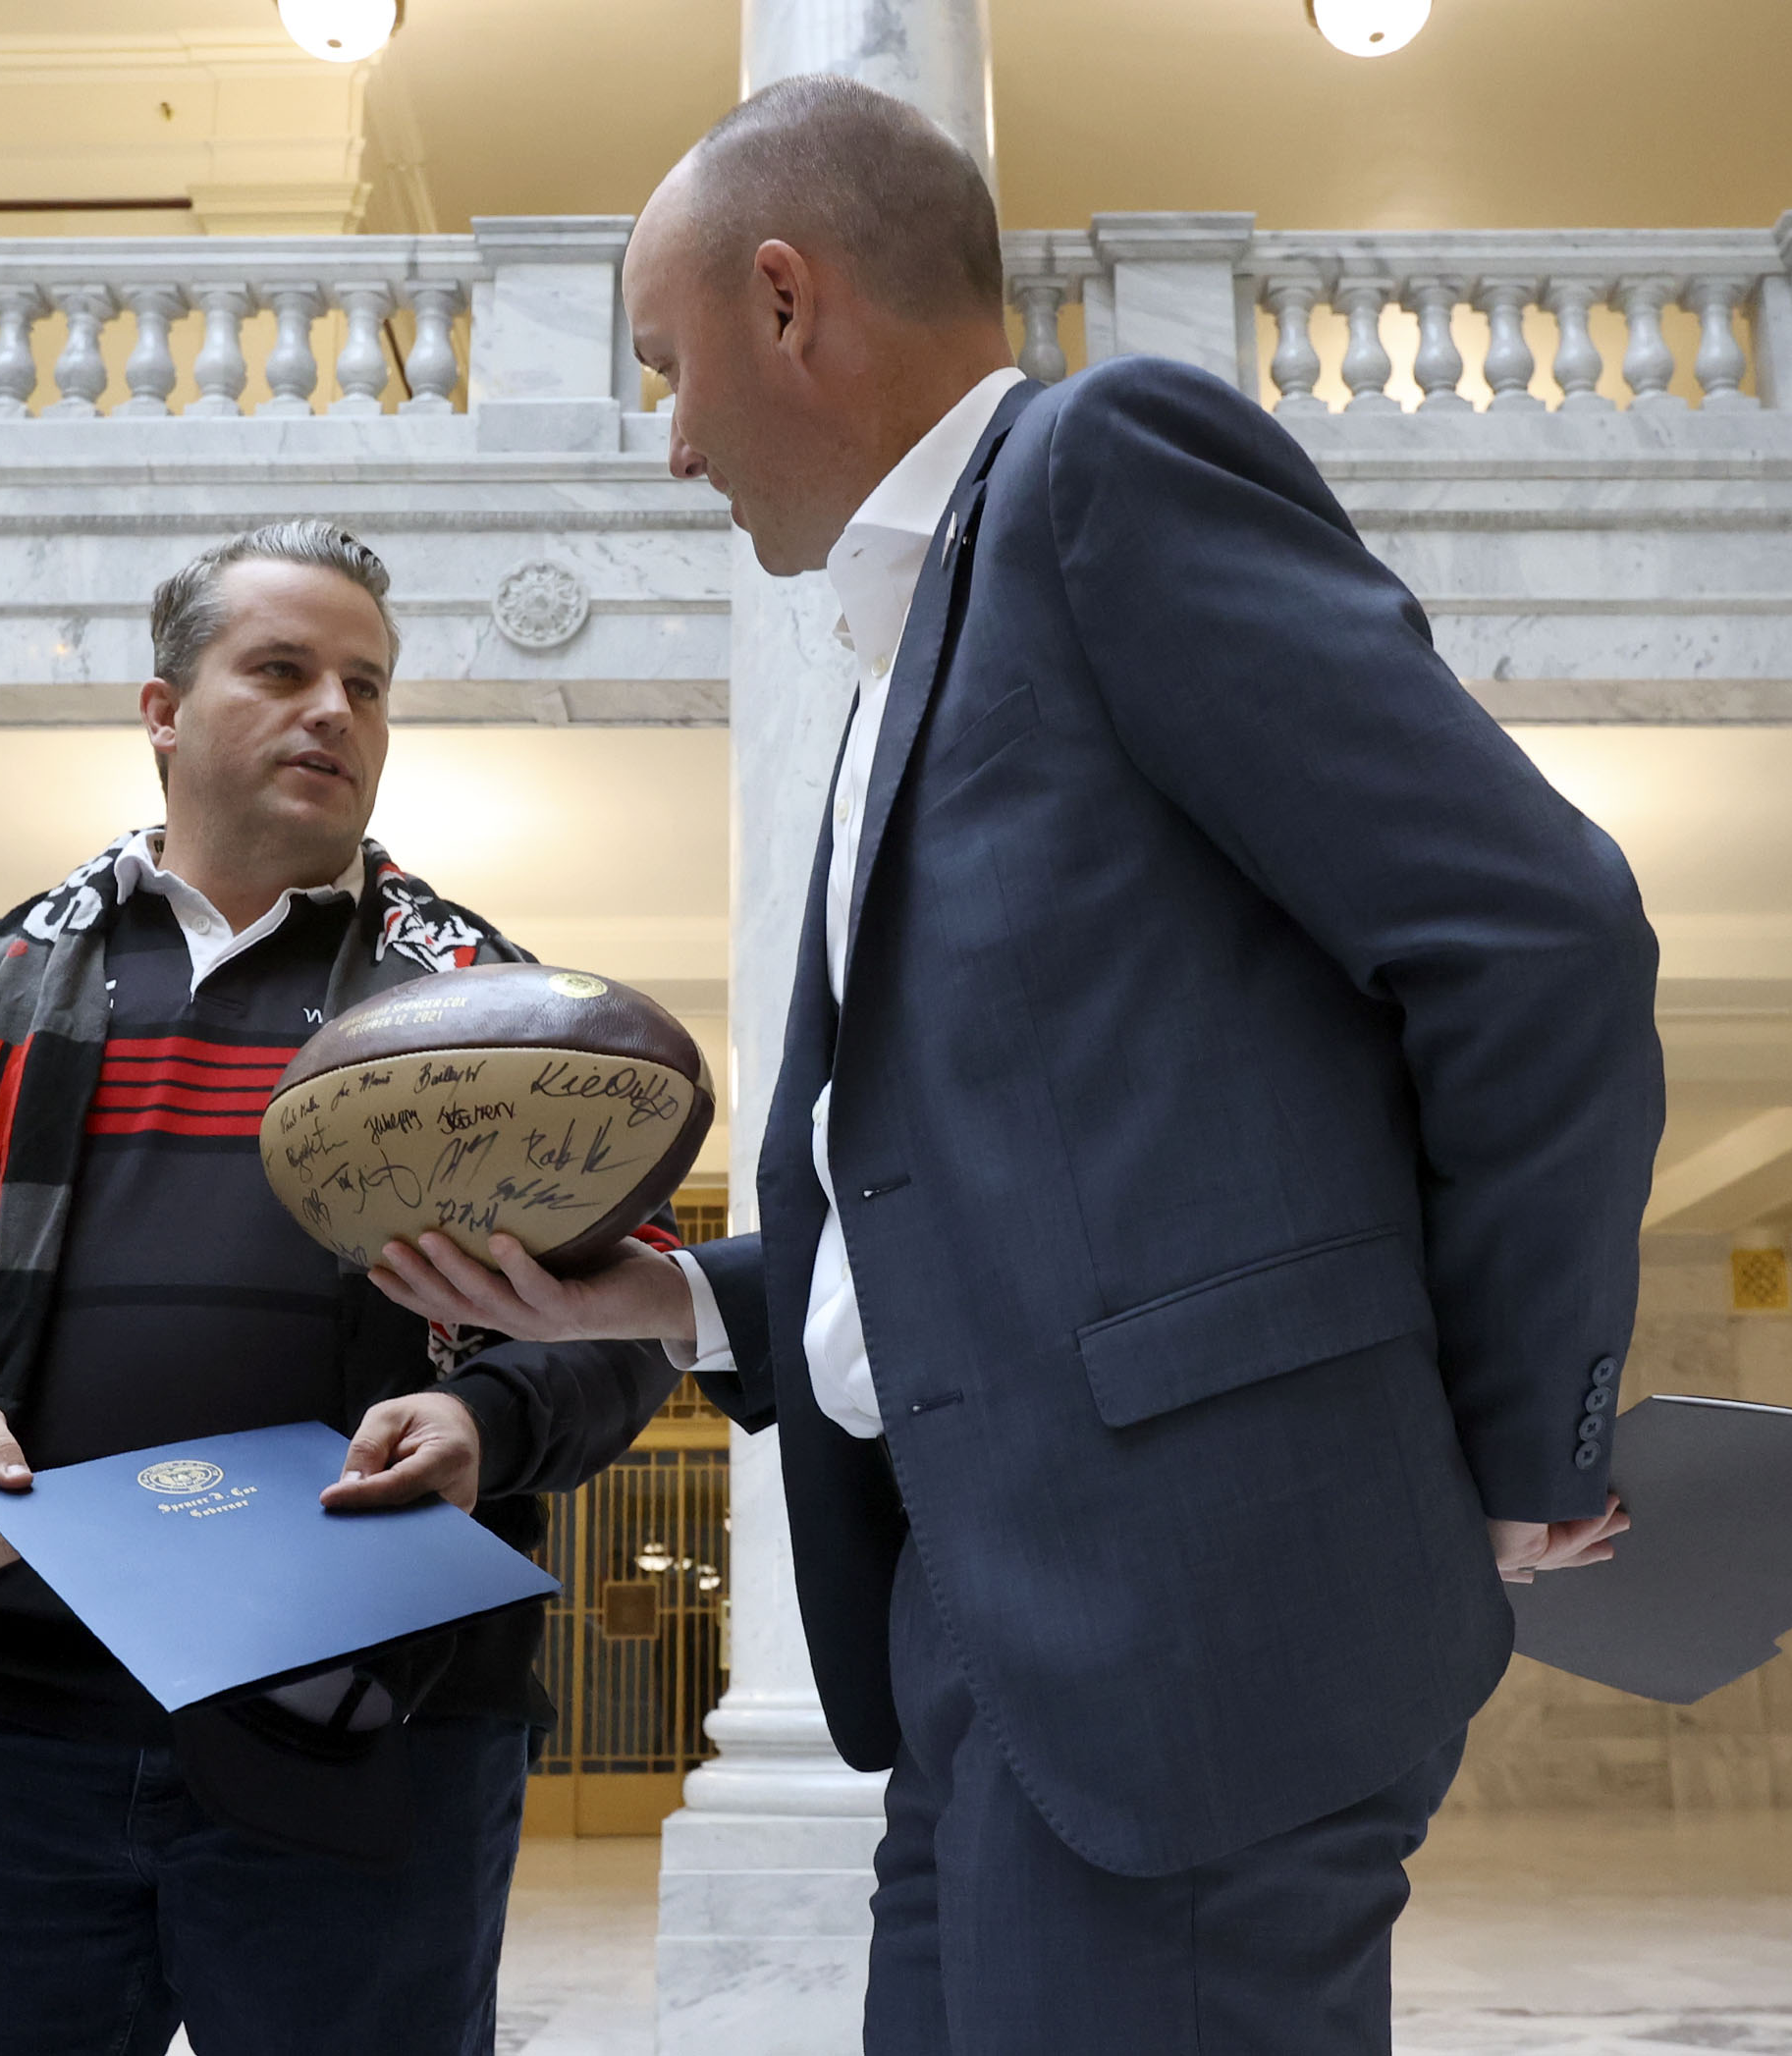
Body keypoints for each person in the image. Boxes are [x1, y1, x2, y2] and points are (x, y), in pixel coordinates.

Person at [368, 79, 1665, 2056]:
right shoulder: (905, 650)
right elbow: (964, 1191)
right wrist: (665, 1298)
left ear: (786, 299)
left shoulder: (1101, 467)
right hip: (987, 1619)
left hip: (1200, 1623)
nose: (672, 446)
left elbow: (1536, 937)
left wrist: (1510, 1457)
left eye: (668, 368)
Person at [0, 520, 679, 2056]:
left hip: (377, 1717)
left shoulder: (490, 1002)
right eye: (284, 670)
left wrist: (488, 1412)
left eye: (368, 686)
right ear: (163, 708)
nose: (336, 714)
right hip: (3, 1715)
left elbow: (630, 1307)